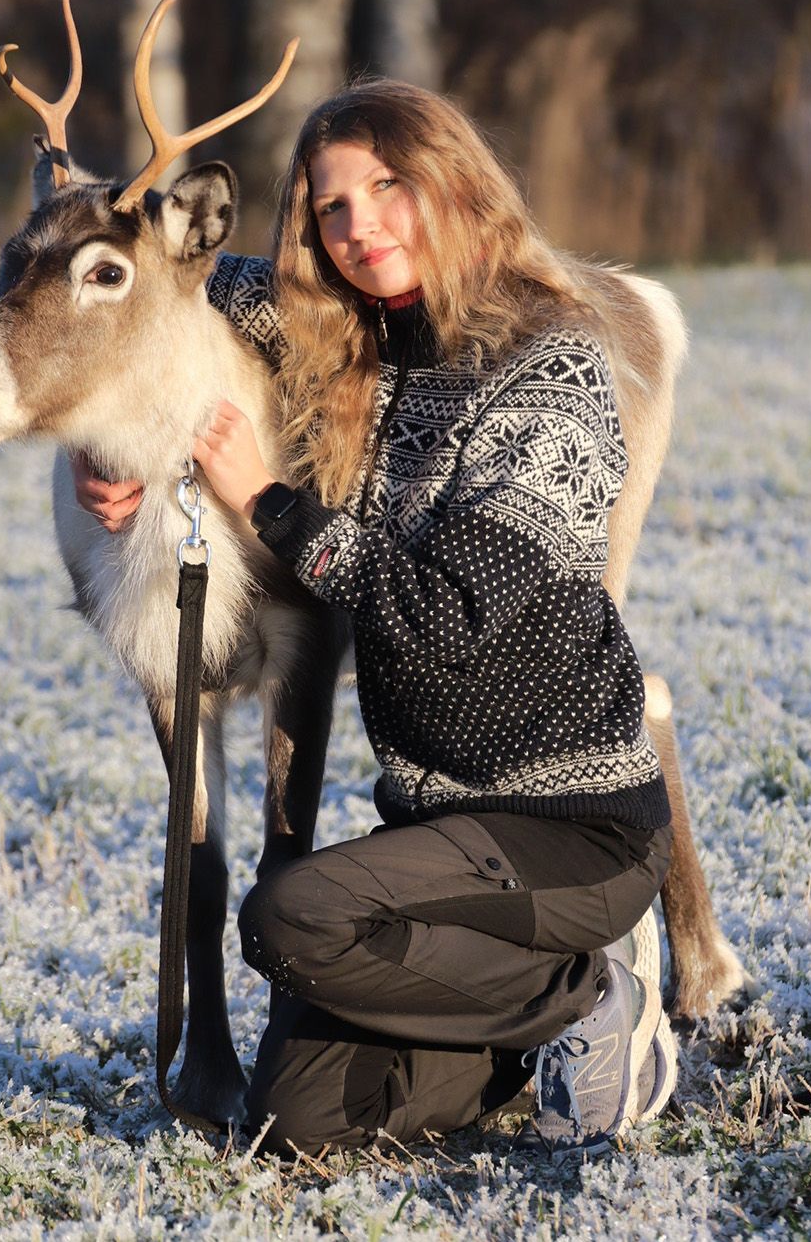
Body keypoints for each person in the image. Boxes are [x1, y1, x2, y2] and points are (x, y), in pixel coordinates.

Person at [73, 80, 676, 1158]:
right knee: (298, 1118)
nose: (359, 227)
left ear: (454, 182)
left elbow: (443, 616)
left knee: (290, 917)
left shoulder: (552, 370)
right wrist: (110, 450)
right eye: (329, 206)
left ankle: (591, 993)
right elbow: (156, 295)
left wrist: (267, 501)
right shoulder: (348, 340)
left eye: (386, 187)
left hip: (569, 828)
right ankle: (514, 1035)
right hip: (436, 831)